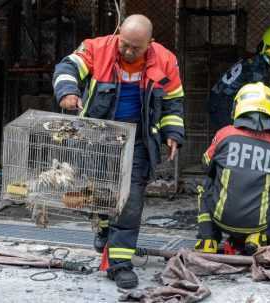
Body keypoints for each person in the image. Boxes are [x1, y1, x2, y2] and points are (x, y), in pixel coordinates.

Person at [52, 14, 184, 289]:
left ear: (150, 43)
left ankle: (120, 264)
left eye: (136, 47)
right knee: (100, 194)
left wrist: (173, 134)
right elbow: (67, 67)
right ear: (118, 34)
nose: (127, 51)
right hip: (97, 138)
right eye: (124, 43)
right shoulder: (96, 48)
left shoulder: (166, 60)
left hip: (137, 141)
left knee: (130, 201)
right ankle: (103, 227)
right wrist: (67, 90)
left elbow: (173, 101)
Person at [195, 82, 270, 255]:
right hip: (257, 222)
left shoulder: (225, 134)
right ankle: (257, 237)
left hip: (221, 219)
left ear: (238, 106)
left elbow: (205, 164)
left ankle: (208, 239)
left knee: (205, 186)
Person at [209, 24, 270, 132]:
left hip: (219, 101)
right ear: (263, 47)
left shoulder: (255, 61)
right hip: (223, 105)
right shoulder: (257, 68)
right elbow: (257, 102)